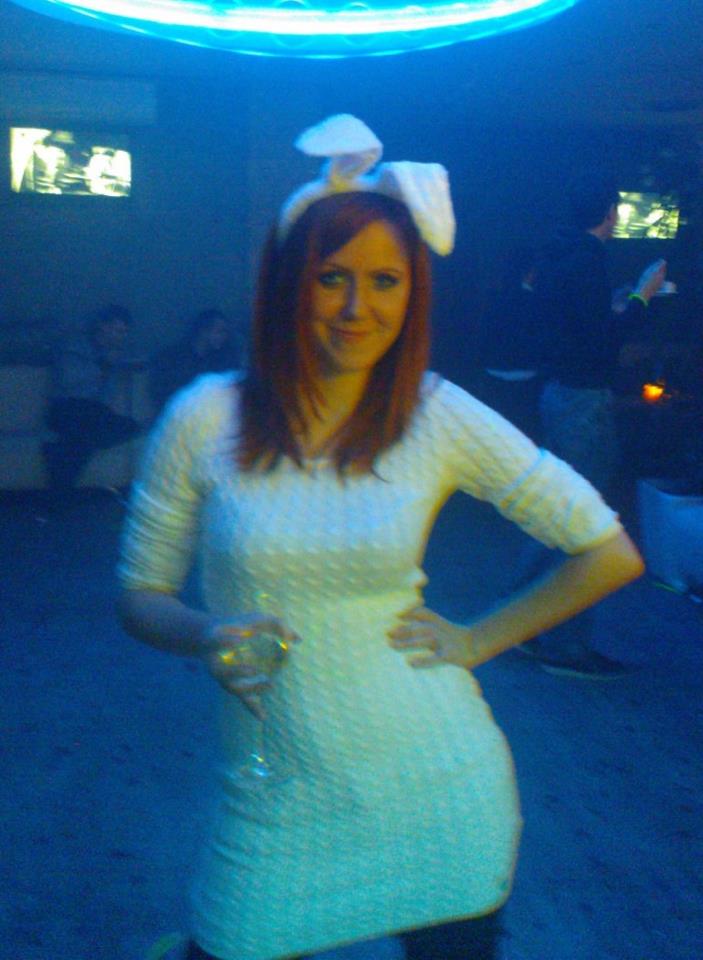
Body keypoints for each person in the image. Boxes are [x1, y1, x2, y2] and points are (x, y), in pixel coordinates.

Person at [117, 116, 644, 960]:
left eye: (386, 280)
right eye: (331, 277)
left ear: (412, 292)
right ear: (286, 283)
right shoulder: (205, 416)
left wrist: (479, 639)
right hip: (274, 791)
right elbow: (140, 593)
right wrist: (206, 632)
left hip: (439, 789)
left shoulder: (433, 413)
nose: (358, 307)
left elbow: (607, 550)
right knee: (229, 939)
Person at [514, 169, 667, 678]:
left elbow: (578, 325)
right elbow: (603, 342)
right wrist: (643, 296)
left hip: (560, 392)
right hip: (582, 401)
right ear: (610, 213)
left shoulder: (562, 253)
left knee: (559, 513)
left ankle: (521, 624)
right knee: (584, 523)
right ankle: (564, 646)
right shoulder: (588, 259)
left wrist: (615, 306)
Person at [43, 304, 143, 494]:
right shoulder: (73, 347)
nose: (121, 337)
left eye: (124, 332)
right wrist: (102, 367)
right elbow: (68, 380)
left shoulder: (112, 356)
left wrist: (110, 367)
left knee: (128, 427)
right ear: (102, 326)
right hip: (65, 408)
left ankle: (59, 485)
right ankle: (61, 491)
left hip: (92, 413)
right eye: (118, 331)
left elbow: (105, 396)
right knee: (84, 433)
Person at [472, 242, 543, 441]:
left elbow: (483, 337)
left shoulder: (493, 298)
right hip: (525, 380)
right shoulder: (535, 302)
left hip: (493, 374)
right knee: (522, 437)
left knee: (494, 433)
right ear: (531, 271)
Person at [149, 308, 243, 411]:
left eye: (225, 332)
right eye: (220, 331)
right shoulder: (172, 358)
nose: (224, 336)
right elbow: (162, 392)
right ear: (203, 331)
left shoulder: (224, 359)